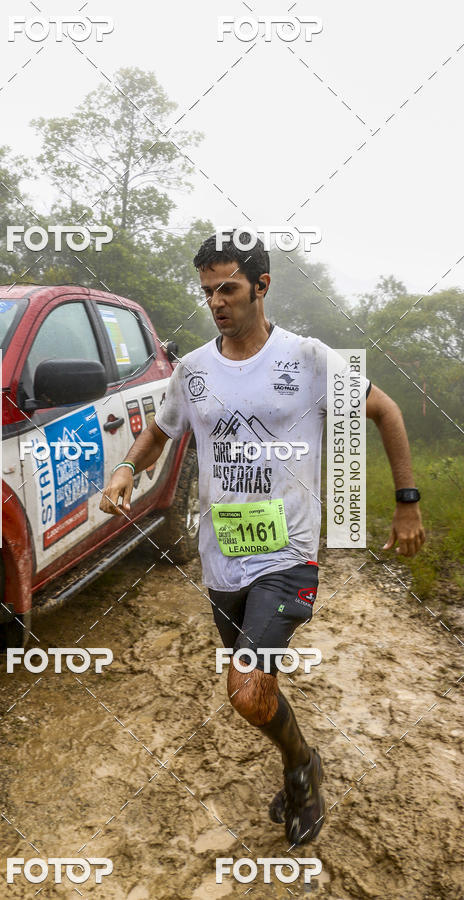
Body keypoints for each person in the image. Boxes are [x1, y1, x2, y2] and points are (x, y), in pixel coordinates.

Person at [99, 233, 425, 845]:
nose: (217, 302)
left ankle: (300, 772)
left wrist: (407, 503)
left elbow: (388, 413)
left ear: (262, 287)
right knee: (256, 689)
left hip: (288, 555)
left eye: (229, 288)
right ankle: (302, 758)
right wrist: (124, 469)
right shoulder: (193, 370)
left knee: (245, 690)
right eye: (207, 292)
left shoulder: (308, 358)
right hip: (222, 560)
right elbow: (162, 433)